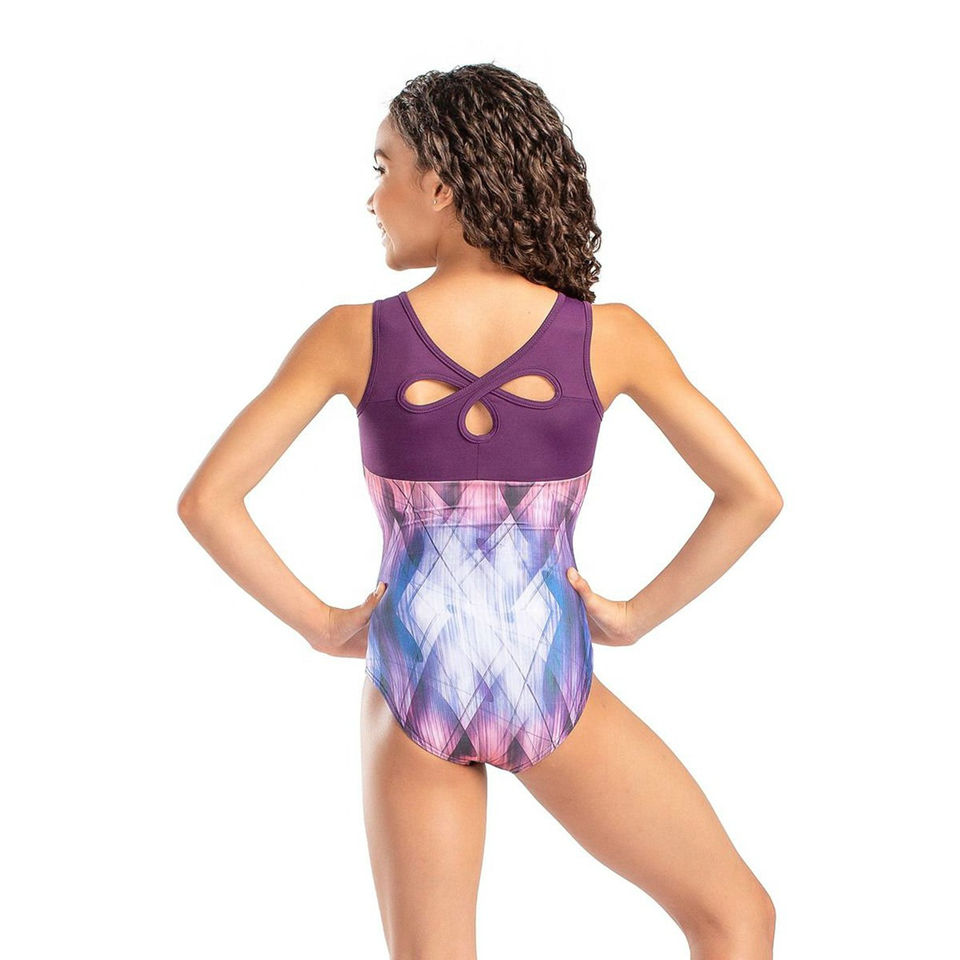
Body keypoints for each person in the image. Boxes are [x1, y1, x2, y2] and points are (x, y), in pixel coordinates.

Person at [178, 63, 782, 960]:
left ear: (441, 185)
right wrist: (633, 616)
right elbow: (752, 496)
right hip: (548, 675)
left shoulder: (353, 335)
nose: (372, 197)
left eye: (382, 168)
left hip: (413, 675)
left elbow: (208, 500)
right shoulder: (608, 337)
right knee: (734, 917)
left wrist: (324, 625)